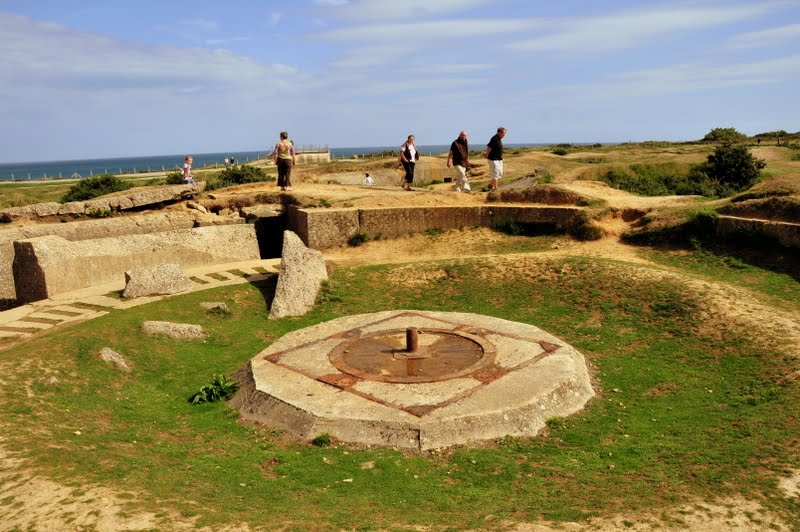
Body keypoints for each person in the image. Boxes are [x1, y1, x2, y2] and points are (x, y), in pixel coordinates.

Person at [486, 127, 506, 191]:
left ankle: (491, 185)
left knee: (500, 173)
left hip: (499, 159)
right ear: (499, 132)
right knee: (496, 173)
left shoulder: (499, 139)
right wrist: (487, 155)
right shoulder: (494, 139)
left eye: (504, 134)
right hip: (493, 159)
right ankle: (496, 188)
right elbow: (489, 148)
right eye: (503, 134)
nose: (504, 135)